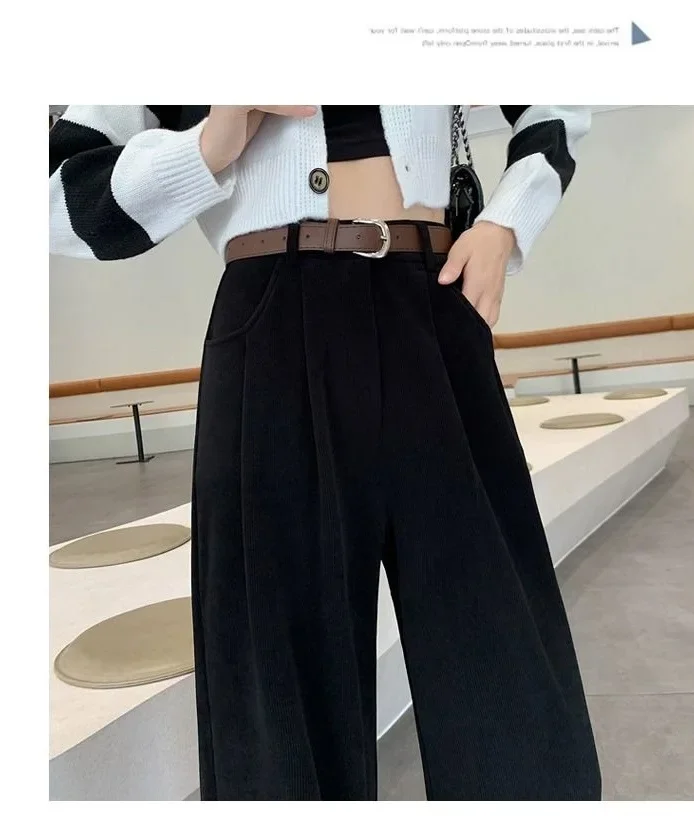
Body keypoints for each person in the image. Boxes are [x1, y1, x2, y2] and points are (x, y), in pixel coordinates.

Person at [49, 104, 601, 801]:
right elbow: (58, 194)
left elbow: (556, 104)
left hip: (433, 302)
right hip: (271, 321)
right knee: (279, 685)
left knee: (505, 651)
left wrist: (507, 222)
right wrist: (210, 144)